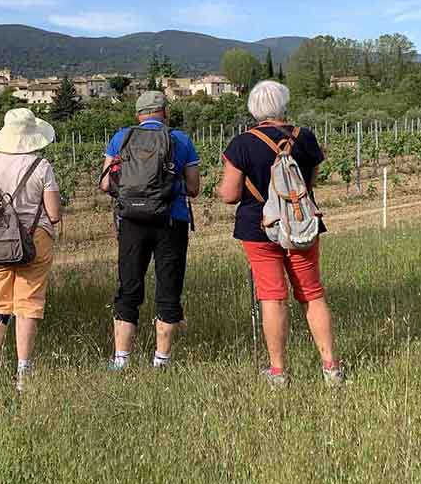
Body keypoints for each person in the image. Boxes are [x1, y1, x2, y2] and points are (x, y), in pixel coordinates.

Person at [217, 80, 344, 388]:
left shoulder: (241, 144)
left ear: (253, 109)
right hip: (300, 224)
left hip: (259, 228)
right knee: (312, 294)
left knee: (272, 297)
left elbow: (229, 195)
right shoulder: (305, 137)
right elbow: (308, 184)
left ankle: (278, 372)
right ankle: (331, 368)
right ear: (283, 105)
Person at [100, 91, 200, 371]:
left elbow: (106, 184)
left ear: (138, 115)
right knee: (168, 288)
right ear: (165, 112)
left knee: (129, 286)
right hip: (171, 221)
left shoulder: (121, 138)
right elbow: (194, 188)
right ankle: (161, 361)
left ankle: (121, 360)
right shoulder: (181, 140)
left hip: (132, 221)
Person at [0, 108, 61, 392]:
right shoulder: (41, 166)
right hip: (35, 240)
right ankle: (23, 372)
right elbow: (54, 213)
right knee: (28, 303)